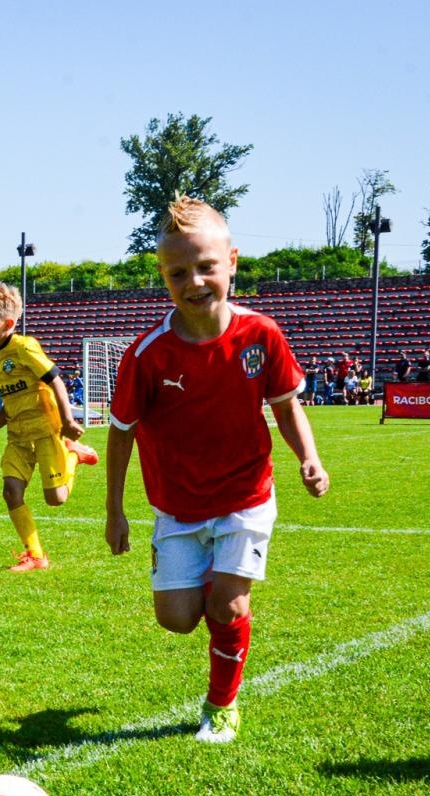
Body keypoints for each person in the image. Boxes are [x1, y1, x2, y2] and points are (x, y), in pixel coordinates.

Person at [105, 195, 329, 745]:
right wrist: (115, 510)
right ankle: (217, 593)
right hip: (177, 506)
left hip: (245, 495)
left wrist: (308, 456)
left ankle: (222, 703)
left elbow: (285, 404)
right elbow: (120, 432)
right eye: (179, 272)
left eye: (207, 266)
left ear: (232, 261)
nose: (196, 281)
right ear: (164, 278)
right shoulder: (148, 354)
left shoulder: (261, 335)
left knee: (227, 606)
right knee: (177, 618)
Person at [0, 281, 98, 572]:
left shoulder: (24, 347)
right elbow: (10, 401)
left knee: (56, 499)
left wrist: (67, 421)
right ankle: (35, 555)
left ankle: (74, 454)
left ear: (8, 323)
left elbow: (55, 380)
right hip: (18, 437)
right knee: (11, 492)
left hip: (46, 431)